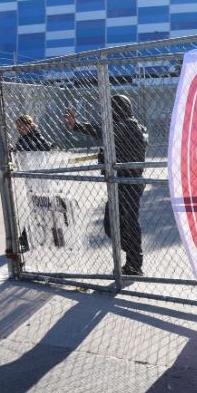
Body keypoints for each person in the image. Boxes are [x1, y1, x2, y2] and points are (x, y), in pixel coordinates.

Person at [63, 94, 148, 276]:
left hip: (128, 183)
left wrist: (78, 126)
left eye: (111, 109)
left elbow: (104, 131)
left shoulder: (130, 126)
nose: (108, 113)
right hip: (119, 183)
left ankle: (135, 261)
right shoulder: (126, 126)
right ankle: (133, 257)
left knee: (127, 224)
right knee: (113, 226)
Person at [13, 114, 56, 253]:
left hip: (41, 179)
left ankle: (26, 238)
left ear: (30, 125)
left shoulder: (36, 135)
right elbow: (20, 158)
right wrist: (14, 151)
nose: (20, 129)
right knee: (39, 208)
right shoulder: (22, 139)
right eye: (18, 127)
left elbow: (45, 147)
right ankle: (29, 237)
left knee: (43, 207)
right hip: (32, 179)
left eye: (22, 126)